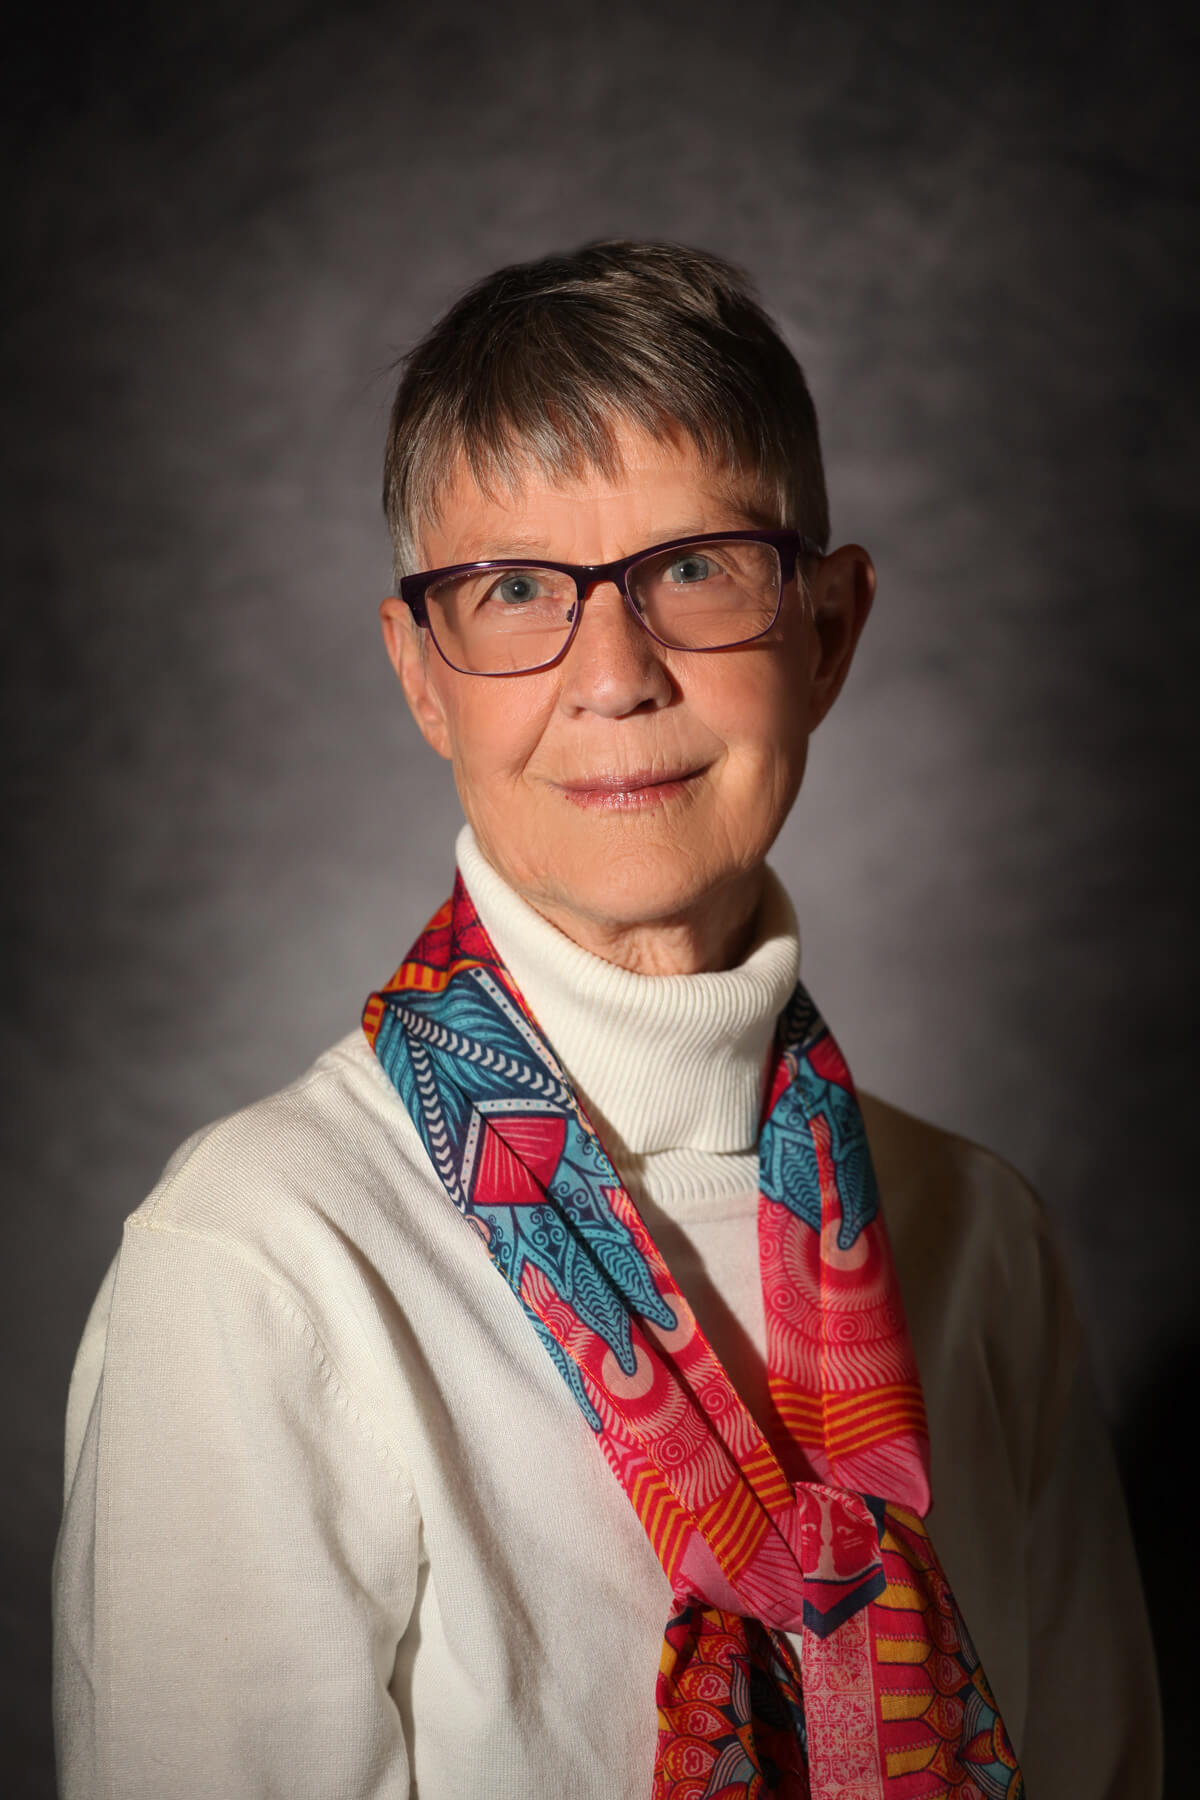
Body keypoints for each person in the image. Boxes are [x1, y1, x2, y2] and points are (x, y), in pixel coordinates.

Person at [52, 241, 1160, 1799]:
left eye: (696, 566)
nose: (617, 673)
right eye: (514, 591)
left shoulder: (982, 1240)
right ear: (424, 678)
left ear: (829, 631)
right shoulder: (263, 1268)